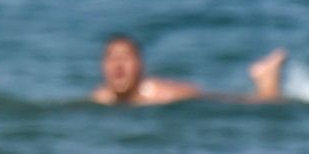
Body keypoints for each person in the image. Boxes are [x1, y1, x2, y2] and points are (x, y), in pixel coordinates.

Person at [91, 34, 287, 106]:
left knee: (267, 101)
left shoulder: (161, 94)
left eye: (125, 58)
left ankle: (268, 75)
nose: (118, 65)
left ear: (140, 65)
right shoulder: (101, 97)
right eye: (111, 58)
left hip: (206, 102)